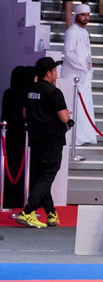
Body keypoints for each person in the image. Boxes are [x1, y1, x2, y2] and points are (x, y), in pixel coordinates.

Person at [17, 58, 71, 229]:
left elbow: (25, 114)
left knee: (41, 177)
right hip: (52, 140)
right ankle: (28, 211)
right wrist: (67, 114)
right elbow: (64, 118)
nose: (56, 73)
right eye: (55, 70)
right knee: (47, 176)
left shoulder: (29, 90)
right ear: (48, 73)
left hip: (35, 139)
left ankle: (51, 213)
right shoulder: (54, 92)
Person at [60, 3, 97, 146]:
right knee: (75, 106)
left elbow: (86, 54)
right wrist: (82, 68)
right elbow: (68, 53)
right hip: (73, 75)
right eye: (83, 15)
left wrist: (88, 69)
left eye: (88, 15)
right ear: (76, 15)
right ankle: (75, 137)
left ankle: (85, 136)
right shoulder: (72, 31)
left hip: (84, 76)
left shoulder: (85, 32)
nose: (86, 18)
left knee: (85, 107)